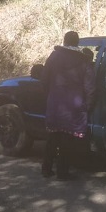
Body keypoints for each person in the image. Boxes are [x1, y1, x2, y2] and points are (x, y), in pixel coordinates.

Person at [40, 31, 95, 180]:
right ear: (77, 43)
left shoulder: (54, 56)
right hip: (74, 106)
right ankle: (62, 173)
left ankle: (46, 169)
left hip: (55, 103)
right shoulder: (84, 60)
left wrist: (50, 96)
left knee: (52, 137)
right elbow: (89, 86)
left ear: (64, 41)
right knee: (67, 141)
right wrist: (88, 105)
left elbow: (44, 79)